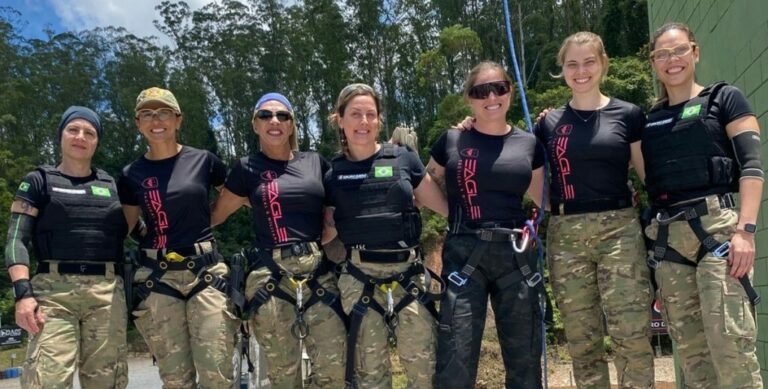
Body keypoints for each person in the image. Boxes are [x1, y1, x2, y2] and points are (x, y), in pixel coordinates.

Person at [643, 22, 763, 388]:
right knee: (693, 362)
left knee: (732, 352)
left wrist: (745, 232)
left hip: (718, 233)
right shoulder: (649, 120)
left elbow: (752, 166)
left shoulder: (725, 99)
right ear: (653, 62)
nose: (672, 60)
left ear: (695, 52)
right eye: (662, 54)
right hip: (669, 244)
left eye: (680, 50)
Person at [533, 32, 654, 388]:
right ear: (562, 69)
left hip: (620, 232)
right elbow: (529, 175)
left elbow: (648, 176)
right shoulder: (548, 123)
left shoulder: (629, 115)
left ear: (603, 64)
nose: (580, 71)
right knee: (582, 342)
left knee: (631, 335)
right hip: (566, 237)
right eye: (572, 64)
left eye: (589, 62)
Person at [211, 92, 347, 387]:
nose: (274, 121)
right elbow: (215, 216)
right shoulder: (246, 168)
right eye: (265, 115)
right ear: (255, 124)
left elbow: (340, 203)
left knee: (334, 371)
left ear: (291, 124)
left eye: (282, 115)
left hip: (318, 273)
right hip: (270, 276)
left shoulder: (315, 162)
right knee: (284, 376)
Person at [427, 61, 546, 388]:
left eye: (499, 88)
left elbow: (544, 199)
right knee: (455, 357)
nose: (491, 97)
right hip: (465, 253)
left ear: (510, 92)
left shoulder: (529, 144)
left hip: (515, 255)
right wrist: (451, 212)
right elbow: (424, 183)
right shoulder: (452, 140)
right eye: (481, 91)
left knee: (525, 361)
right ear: (469, 98)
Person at [323, 83, 448, 388]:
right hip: (360, 279)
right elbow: (325, 232)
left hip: (408, 276)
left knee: (425, 371)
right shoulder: (332, 174)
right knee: (370, 376)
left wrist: (458, 138)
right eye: (355, 114)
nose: (363, 121)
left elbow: (444, 206)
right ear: (340, 120)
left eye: (370, 114)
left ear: (379, 120)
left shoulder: (404, 159)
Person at [117, 87, 239, 388]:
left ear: (178, 119)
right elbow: (128, 225)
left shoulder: (204, 161)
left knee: (217, 374)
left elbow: (237, 196)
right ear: (138, 123)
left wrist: (210, 219)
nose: (156, 120)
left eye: (164, 113)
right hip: (158, 278)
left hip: (205, 271)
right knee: (175, 379)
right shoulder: (131, 174)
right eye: (147, 114)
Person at [4, 106, 128, 388]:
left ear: (97, 142)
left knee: (107, 382)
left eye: (89, 133)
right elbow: (15, 239)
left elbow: (141, 230)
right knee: (48, 380)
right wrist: (22, 294)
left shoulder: (112, 185)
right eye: (73, 129)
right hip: (53, 294)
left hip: (107, 294)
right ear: (60, 135)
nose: (80, 137)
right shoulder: (38, 181)